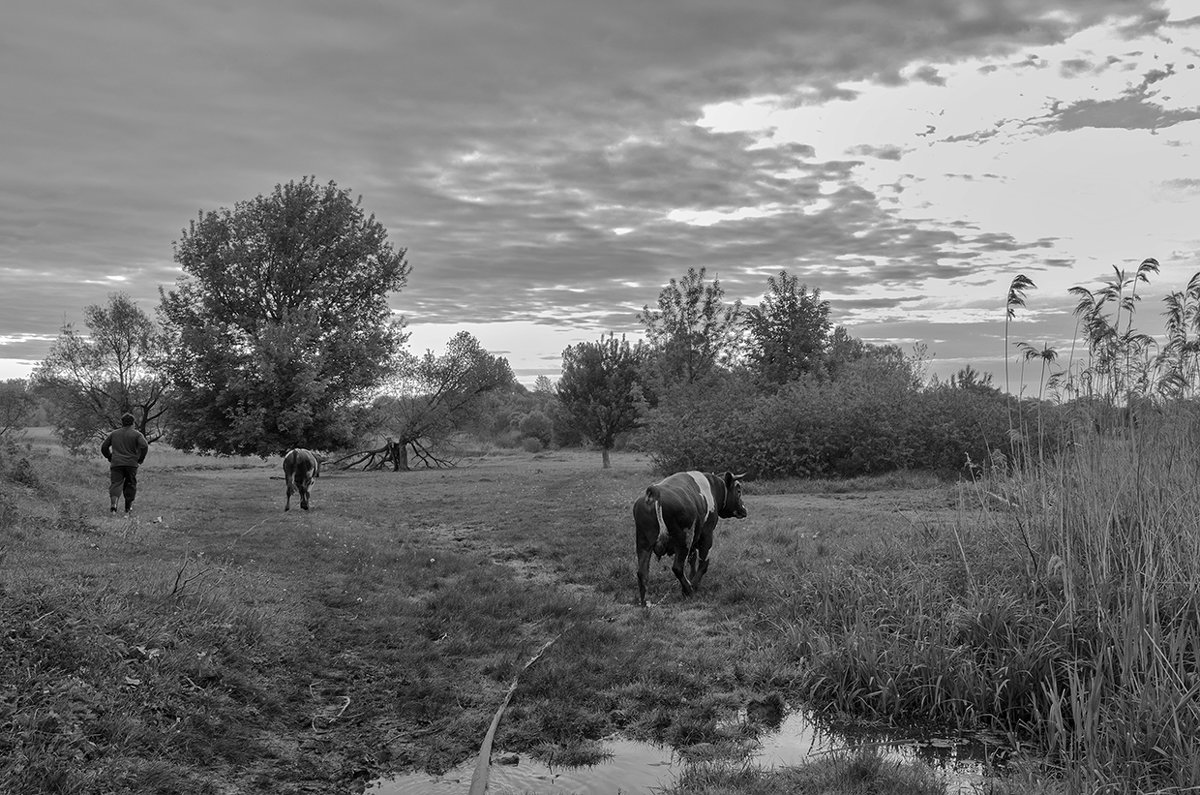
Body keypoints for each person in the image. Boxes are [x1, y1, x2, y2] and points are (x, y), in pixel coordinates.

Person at [101, 412, 149, 514]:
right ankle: (128, 508)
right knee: (130, 484)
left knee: (116, 483)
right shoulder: (137, 434)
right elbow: (144, 446)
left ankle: (113, 506)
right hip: (131, 464)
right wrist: (140, 459)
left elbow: (104, 447)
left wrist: (110, 457)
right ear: (133, 423)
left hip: (116, 463)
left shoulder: (114, 434)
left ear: (122, 423)